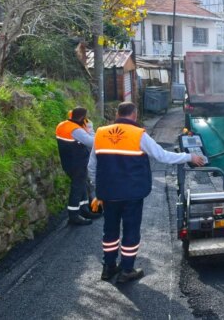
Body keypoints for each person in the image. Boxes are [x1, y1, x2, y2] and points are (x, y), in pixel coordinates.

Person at [87, 102, 206, 283]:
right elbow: (162, 156)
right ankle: (127, 269)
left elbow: (91, 167)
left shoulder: (100, 134)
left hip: (108, 193)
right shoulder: (138, 135)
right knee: (131, 231)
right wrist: (190, 156)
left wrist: (99, 190)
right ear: (134, 115)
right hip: (131, 193)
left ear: (118, 114)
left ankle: (108, 267)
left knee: (109, 231)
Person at [55, 107, 101, 226]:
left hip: (69, 162)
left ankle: (84, 210)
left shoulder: (63, 125)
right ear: (82, 118)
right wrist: (90, 129)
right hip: (77, 163)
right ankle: (74, 216)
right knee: (77, 188)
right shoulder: (76, 130)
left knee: (82, 185)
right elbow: (92, 142)